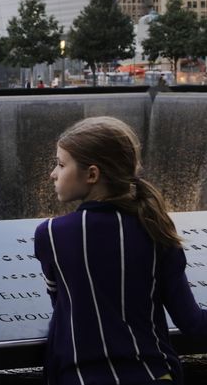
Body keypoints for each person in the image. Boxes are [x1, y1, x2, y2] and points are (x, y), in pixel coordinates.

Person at [34, 117, 207, 385]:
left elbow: (64, 312)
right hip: (155, 375)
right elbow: (193, 323)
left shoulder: (52, 235)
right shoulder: (156, 228)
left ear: (92, 174)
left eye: (61, 164)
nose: (53, 174)